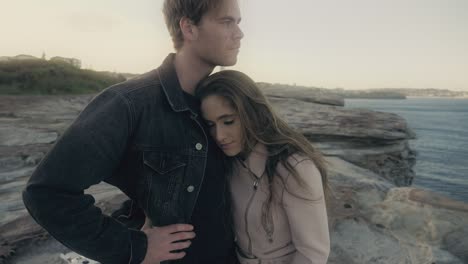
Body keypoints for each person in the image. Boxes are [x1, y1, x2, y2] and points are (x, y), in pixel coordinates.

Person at [22, 0, 243, 263]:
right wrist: (134, 247)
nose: (239, 33)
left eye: (238, 23)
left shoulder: (228, 102)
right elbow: (46, 192)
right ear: (189, 28)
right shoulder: (129, 103)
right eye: (227, 22)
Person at [196, 70, 330, 264]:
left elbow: (313, 254)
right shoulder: (229, 161)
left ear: (252, 114)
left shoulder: (295, 168)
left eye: (228, 121)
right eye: (210, 124)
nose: (219, 135)